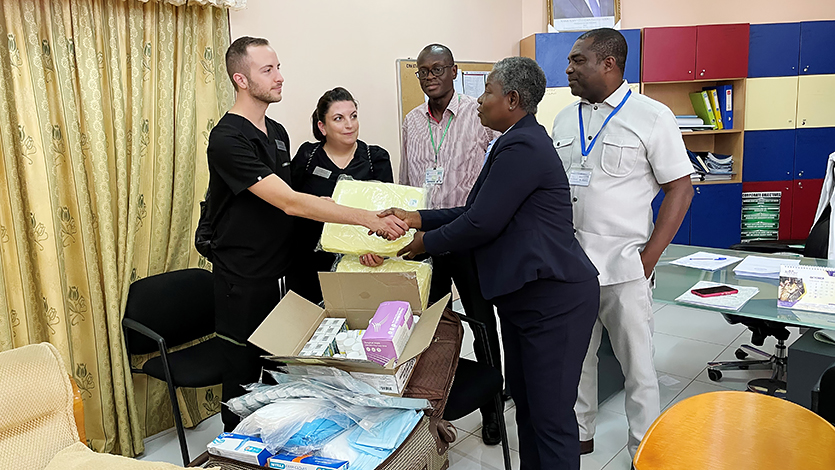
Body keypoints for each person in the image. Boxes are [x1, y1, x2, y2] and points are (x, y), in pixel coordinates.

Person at [385, 57, 600, 470]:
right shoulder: (511, 141)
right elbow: (474, 210)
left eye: (487, 92)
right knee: (529, 409)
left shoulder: (523, 145)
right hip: (526, 301)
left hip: (554, 300)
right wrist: (418, 217)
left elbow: (480, 224)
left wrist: (422, 242)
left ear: (513, 100)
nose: (480, 101)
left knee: (551, 418)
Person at [205, 37, 407, 431]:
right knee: (243, 378)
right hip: (242, 278)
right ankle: (238, 452)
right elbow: (293, 202)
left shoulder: (277, 132)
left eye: (278, 67)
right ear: (241, 79)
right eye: (268, 70)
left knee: (282, 373)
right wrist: (367, 218)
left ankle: (280, 445)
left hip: (283, 273)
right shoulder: (227, 138)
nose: (280, 77)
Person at [550, 28, 693, 458]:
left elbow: (680, 189)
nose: (569, 68)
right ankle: (579, 433)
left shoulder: (652, 116)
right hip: (572, 267)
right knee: (576, 360)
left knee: (638, 367)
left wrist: (648, 258)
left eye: (578, 60)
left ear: (608, 64)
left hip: (625, 268)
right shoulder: (562, 118)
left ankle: (643, 448)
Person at [399, 43, 505, 444]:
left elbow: (497, 172)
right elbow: (408, 179)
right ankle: (436, 410)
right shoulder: (412, 120)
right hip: (427, 241)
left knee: (481, 325)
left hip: (469, 235)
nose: (430, 77)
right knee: (434, 329)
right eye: (423, 71)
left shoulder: (479, 115)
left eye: (437, 68)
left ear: (454, 71)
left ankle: (492, 409)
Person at [288, 87, 394, 304]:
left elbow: (386, 213)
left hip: (358, 267)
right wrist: (315, 206)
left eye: (353, 116)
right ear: (322, 126)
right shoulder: (307, 157)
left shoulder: (376, 159)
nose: (349, 124)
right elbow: (289, 205)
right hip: (309, 267)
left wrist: (378, 252)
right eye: (339, 118)